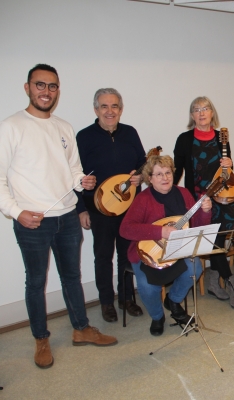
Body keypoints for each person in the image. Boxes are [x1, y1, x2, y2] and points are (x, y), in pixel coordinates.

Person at [0, 64, 117, 369]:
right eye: (40, 85)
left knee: (71, 276)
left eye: (52, 86)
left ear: (58, 90)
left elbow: (72, 169)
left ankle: (81, 329)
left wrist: (80, 181)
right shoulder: (11, 126)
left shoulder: (63, 127)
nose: (46, 92)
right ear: (28, 88)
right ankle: (40, 338)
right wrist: (17, 213)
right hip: (33, 221)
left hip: (67, 216)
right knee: (36, 281)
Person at [120, 155, 211, 336]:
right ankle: (157, 316)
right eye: (159, 174)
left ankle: (173, 301)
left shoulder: (183, 193)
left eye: (168, 173)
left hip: (177, 248)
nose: (165, 178)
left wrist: (206, 211)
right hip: (147, 252)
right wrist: (160, 232)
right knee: (148, 286)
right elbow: (125, 229)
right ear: (150, 178)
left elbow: (197, 225)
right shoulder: (143, 199)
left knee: (195, 269)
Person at [76, 88, 146, 323]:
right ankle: (107, 302)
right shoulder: (84, 137)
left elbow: (142, 164)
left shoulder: (130, 133)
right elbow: (74, 176)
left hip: (129, 208)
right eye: (104, 106)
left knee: (127, 255)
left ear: (120, 109)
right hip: (99, 209)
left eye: (114, 106)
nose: (109, 111)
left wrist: (139, 177)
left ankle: (127, 298)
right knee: (103, 256)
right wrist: (81, 209)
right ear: (96, 109)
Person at [173, 96, 234, 309]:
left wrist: (230, 163)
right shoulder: (184, 139)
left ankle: (214, 279)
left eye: (205, 108)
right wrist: (168, 196)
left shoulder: (222, 138)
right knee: (211, 241)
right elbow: (177, 172)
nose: (201, 113)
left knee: (219, 240)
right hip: (199, 200)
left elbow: (225, 171)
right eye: (196, 109)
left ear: (212, 112)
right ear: (192, 115)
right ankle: (230, 281)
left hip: (222, 197)